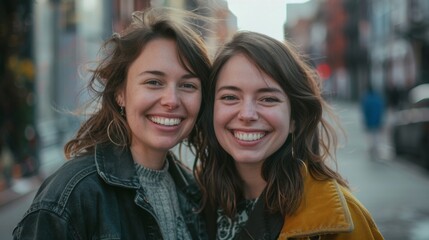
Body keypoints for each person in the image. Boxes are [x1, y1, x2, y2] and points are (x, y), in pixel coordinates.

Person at [13, 7, 211, 240]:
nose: (171, 101)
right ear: (120, 92)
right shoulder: (72, 195)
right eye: (154, 82)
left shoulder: (195, 194)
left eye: (188, 85)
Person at [195, 31, 384, 239]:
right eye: (230, 97)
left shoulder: (340, 221)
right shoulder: (193, 198)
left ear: (295, 118)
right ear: (211, 110)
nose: (247, 114)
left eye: (267, 99)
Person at [361, 84, 385, 160]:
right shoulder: (378, 98)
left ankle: (371, 149)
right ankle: (376, 149)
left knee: (370, 136)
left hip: (369, 121)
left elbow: (364, 111)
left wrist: (365, 121)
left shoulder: (366, 99)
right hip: (377, 120)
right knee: (376, 136)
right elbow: (381, 110)